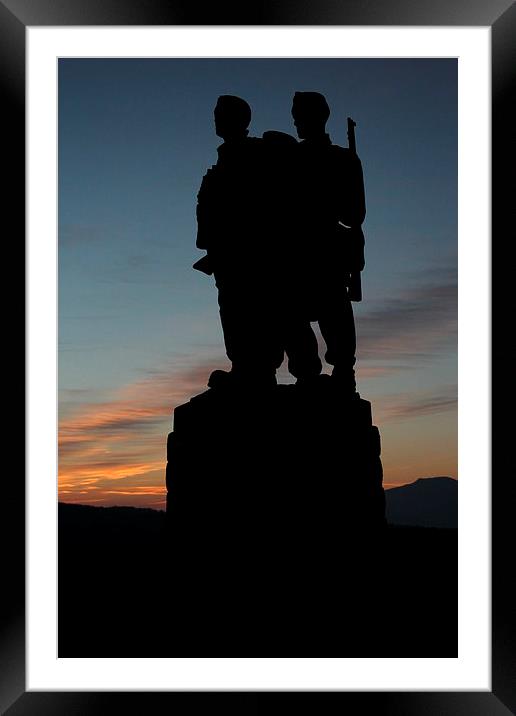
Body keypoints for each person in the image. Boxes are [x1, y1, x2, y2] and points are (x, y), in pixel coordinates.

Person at [195, 95, 283, 389]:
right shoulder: (224, 159)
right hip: (225, 252)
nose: (215, 119)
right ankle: (242, 366)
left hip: (252, 250)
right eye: (215, 113)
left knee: (257, 306)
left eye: (221, 114)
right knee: (231, 308)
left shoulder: (257, 153)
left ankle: (261, 370)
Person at [289, 91, 366, 394]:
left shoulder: (343, 159)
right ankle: (307, 373)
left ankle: (343, 371)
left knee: (333, 311)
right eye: (295, 116)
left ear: (318, 117)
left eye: (301, 116)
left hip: (326, 247)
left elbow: (354, 214)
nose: (296, 122)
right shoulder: (293, 159)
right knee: (293, 313)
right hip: (297, 248)